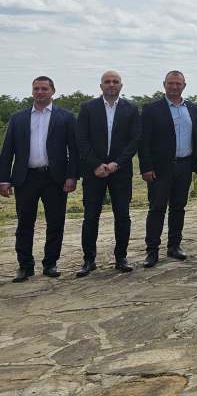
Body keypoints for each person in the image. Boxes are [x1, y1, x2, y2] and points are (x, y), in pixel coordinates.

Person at [0, 77, 79, 282]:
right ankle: (25, 266)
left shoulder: (66, 117)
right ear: (32, 91)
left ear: (53, 91)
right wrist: (4, 179)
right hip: (25, 178)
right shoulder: (17, 118)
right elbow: (7, 150)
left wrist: (72, 176)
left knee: (55, 222)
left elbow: (74, 149)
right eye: (36, 88)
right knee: (24, 224)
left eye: (44, 88)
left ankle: (50, 263)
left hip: (55, 178)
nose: (40, 92)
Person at [75, 71, 142, 276]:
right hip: (93, 171)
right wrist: (96, 164)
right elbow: (81, 139)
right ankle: (89, 260)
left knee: (122, 216)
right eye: (107, 82)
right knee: (90, 216)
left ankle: (121, 257)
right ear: (101, 86)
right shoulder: (87, 108)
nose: (111, 85)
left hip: (120, 172)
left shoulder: (131, 109)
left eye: (115, 82)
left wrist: (116, 164)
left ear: (121, 86)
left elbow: (135, 140)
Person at [139, 71, 197, 268]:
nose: (174, 87)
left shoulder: (193, 108)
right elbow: (144, 141)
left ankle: (174, 245)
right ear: (164, 84)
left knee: (178, 208)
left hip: (185, 165)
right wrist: (146, 167)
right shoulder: (151, 109)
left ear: (184, 85)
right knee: (157, 209)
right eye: (170, 83)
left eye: (178, 83)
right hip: (159, 169)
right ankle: (152, 251)